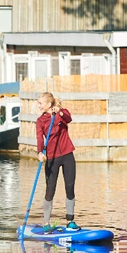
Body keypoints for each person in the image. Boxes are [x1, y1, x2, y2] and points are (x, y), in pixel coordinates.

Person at [36, 92, 79, 232]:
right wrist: (40, 152)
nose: (39, 106)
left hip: (67, 154)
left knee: (70, 186)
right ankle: (46, 223)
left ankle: (70, 221)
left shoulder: (62, 113)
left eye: (40, 103)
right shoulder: (40, 121)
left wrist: (59, 113)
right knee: (50, 190)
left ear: (48, 104)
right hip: (51, 157)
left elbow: (69, 118)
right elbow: (40, 139)